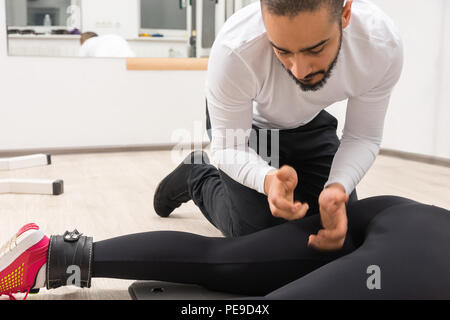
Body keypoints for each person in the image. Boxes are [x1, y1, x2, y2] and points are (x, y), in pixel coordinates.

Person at [153, 0, 404, 251]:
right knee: (257, 241)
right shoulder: (235, 49)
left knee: (343, 232)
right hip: (249, 127)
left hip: (308, 121)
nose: (299, 71)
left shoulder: (380, 45)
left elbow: (363, 137)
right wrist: (267, 180)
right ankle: (196, 174)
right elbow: (230, 145)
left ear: (345, 14)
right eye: (282, 51)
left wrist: (339, 186)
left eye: (315, 49)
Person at [1, 193, 450, 300]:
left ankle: (50, 257)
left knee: (226, 263)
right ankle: (198, 177)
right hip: (426, 246)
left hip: (398, 217)